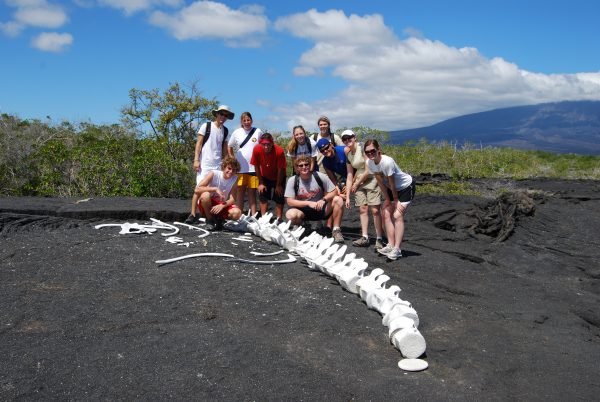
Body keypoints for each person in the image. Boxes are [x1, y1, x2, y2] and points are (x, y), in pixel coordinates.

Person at [364, 139, 415, 260]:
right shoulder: (370, 163)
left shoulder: (387, 162)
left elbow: (392, 183)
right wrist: (387, 199)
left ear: (378, 150)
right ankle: (390, 245)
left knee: (397, 215)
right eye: (367, 152)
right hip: (392, 190)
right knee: (386, 212)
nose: (370, 154)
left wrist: (396, 200)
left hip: (405, 187)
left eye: (373, 151)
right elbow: (380, 181)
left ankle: (397, 249)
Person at [285, 155, 346, 243]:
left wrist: (323, 199)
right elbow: (290, 202)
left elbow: (334, 192)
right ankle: (301, 226)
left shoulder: (319, 176)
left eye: (306, 164)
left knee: (338, 200)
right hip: (303, 212)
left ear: (310, 166)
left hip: (320, 208)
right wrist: (308, 203)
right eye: (301, 165)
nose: (304, 167)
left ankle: (336, 230)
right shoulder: (293, 180)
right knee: (290, 214)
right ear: (297, 168)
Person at [342, 130, 384, 249]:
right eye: (344, 139)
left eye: (349, 138)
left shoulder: (362, 148)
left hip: (371, 179)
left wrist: (357, 184)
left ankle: (379, 238)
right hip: (359, 182)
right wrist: (348, 196)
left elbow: (368, 169)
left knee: (375, 210)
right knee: (363, 209)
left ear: (354, 137)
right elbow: (350, 175)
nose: (347, 140)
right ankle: (364, 237)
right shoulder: (349, 154)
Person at [185, 156, 242, 231]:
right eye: (229, 168)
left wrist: (222, 205)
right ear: (224, 167)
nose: (231, 172)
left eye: (234, 170)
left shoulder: (235, 178)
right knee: (205, 195)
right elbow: (197, 189)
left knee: (237, 213)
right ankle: (210, 220)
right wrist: (215, 189)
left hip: (220, 204)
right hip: (207, 204)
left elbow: (233, 199)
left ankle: (219, 219)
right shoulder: (214, 173)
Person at [227, 111, 263, 216]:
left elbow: (263, 146)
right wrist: (232, 158)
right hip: (241, 168)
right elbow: (229, 146)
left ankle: (253, 216)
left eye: (248, 120)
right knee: (240, 192)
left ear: (251, 120)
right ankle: (238, 215)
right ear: (241, 122)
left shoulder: (258, 131)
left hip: (253, 168)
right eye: (244, 120)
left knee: (252, 193)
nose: (247, 122)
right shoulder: (237, 132)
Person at [250, 132, 287, 222]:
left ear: (272, 143)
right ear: (260, 144)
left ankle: (279, 219)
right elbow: (256, 166)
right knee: (262, 194)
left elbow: (280, 169)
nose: (266, 147)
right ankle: (264, 218)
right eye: (264, 144)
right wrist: (261, 183)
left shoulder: (279, 151)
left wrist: (278, 185)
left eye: (268, 144)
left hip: (278, 175)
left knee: (279, 195)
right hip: (264, 175)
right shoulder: (257, 149)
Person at [193, 105, 234, 184]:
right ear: (217, 114)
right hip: (204, 165)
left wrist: (226, 164)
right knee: (201, 189)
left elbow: (225, 149)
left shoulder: (225, 131)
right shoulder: (206, 126)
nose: (223, 117)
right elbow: (199, 143)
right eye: (221, 114)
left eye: (225, 115)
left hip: (218, 166)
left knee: (214, 192)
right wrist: (196, 160)